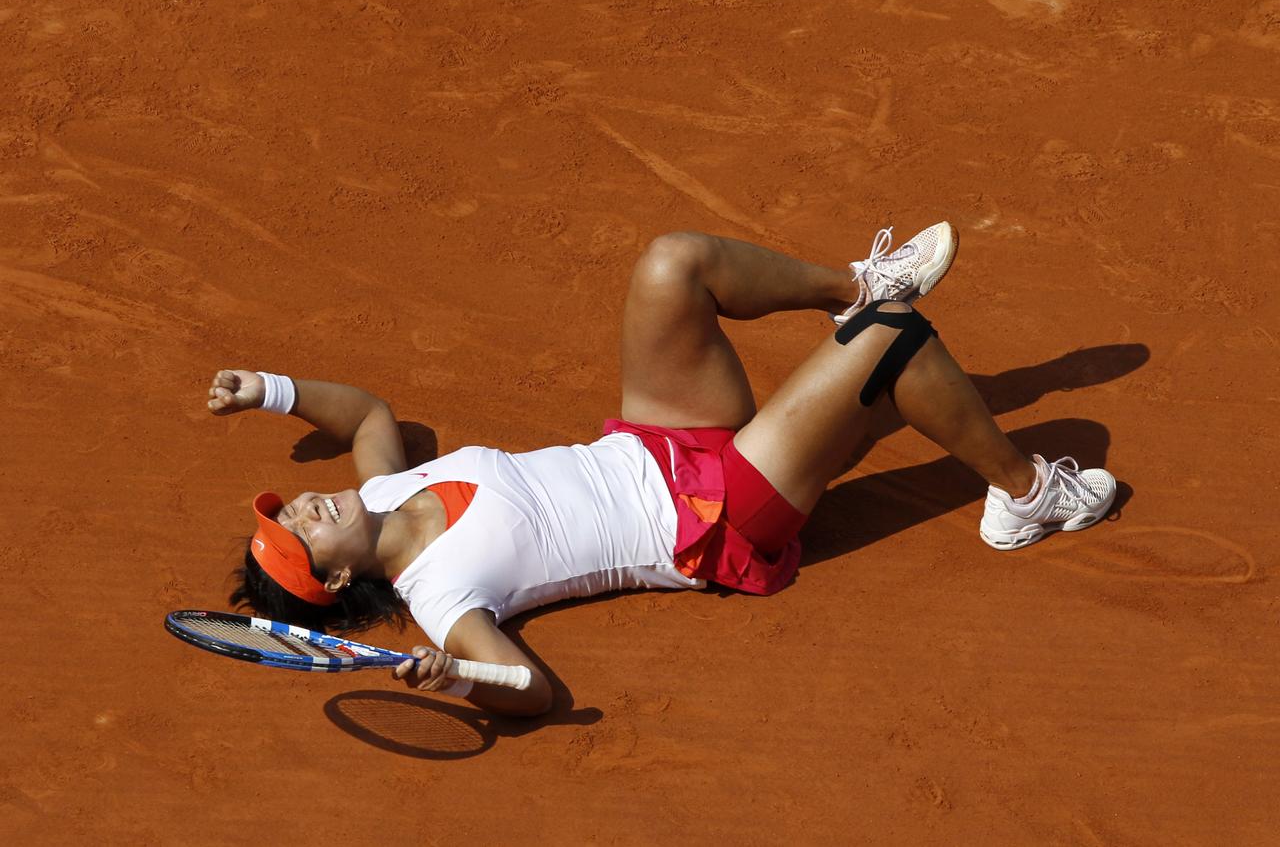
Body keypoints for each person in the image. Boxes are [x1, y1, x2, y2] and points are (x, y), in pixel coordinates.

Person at [209, 224, 1116, 716]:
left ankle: (860, 285)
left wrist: (269, 389)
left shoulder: (377, 488)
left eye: (288, 509)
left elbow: (368, 412)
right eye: (302, 531)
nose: (306, 505)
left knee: (671, 265)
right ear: (332, 576)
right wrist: (456, 681)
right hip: (710, 522)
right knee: (894, 350)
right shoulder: (442, 599)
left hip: (657, 439)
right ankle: (1028, 495)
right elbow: (536, 689)